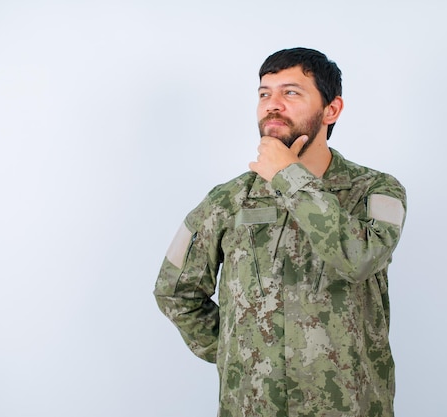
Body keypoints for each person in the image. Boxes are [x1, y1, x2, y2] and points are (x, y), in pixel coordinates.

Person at [154, 47, 407, 417]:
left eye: (290, 92)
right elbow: (174, 291)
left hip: (348, 406)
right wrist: (237, 352)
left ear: (331, 109)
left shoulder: (375, 190)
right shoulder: (228, 200)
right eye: (264, 93)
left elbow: (360, 258)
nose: (272, 104)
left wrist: (290, 177)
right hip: (254, 406)